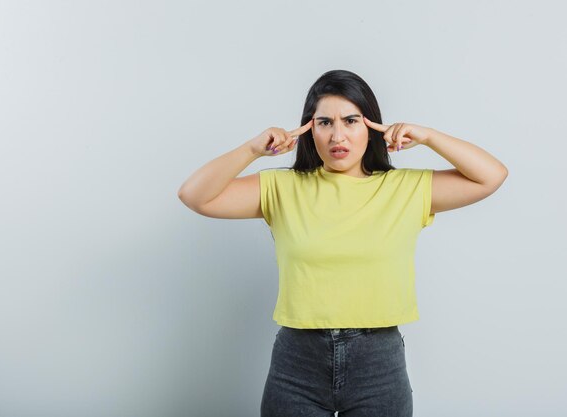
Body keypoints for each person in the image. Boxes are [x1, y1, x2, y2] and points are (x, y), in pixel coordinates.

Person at [177, 69, 508, 417]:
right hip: (297, 366)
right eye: (324, 122)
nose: (338, 135)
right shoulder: (282, 188)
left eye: (351, 120)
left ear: (372, 126)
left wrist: (427, 136)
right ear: (309, 130)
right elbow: (194, 196)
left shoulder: (405, 189)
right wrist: (252, 149)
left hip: (378, 365)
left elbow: (491, 175)